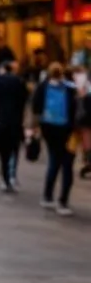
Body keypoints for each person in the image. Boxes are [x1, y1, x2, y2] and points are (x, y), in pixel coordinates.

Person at [32, 62, 79, 216]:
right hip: (68, 131)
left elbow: (35, 107)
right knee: (67, 166)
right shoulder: (71, 88)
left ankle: (47, 196)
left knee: (53, 161)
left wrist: (36, 127)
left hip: (49, 129)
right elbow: (78, 109)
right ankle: (63, 201)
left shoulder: (43, 86)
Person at [0, 61, 29, 194]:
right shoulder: (18, 82)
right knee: (14, 149)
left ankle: (5, 178)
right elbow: (24, 100)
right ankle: (12, 176)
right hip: (15, 120)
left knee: (3, 151)